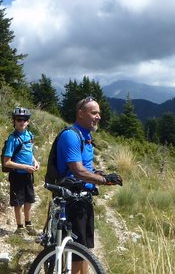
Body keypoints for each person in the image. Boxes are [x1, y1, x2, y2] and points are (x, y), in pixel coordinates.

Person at [54, 97, 121, 273]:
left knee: (83, 249)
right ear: (80, 114)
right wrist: (105, 180)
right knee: (78, 252)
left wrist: (101, 175)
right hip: (71, 200)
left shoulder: (86, 136)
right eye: (93, 113)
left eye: (99, 113)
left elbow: (86, 168)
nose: (98, 116)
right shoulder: (71, 135)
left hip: (83, 198)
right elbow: (78, 171)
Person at [1, 107, 40, 235]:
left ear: (28, 121)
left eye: (25, 119)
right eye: (19, 119)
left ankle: (29, 224)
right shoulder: (13, 139)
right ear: (14, 121)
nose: (22, 122)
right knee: (18, 202)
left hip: (28, 174)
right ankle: (19, 227)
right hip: (17, 175)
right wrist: (25, 167)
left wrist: (35, 162)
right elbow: (7, 162)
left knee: (29, 200)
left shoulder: (30, 135)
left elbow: (29, 153)